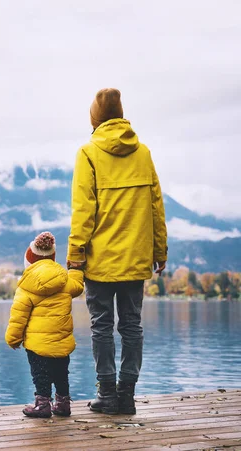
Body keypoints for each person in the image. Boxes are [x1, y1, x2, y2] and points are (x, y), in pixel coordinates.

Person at [67, 88, 168, 415]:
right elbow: (156, 206)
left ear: (94, 119)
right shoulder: (143, 153)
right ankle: (127, 396)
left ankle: (107, 395)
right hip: (136, 259)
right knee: (132, 327)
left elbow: (84, 209)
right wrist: (160, 250)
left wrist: (75, 253)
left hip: (99, 260)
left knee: (101, 326)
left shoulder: (88, 153)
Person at [5, 231, 84, 418]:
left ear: (29, 260)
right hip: (61, 342)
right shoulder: (64, 281)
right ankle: (63, 404)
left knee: (40, 374)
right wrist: (75, 269)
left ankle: (43, 404)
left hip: (37, 346)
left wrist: (13, 339)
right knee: (61, 373)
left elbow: (18, 316)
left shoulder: (26, 286)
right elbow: (78, 286)